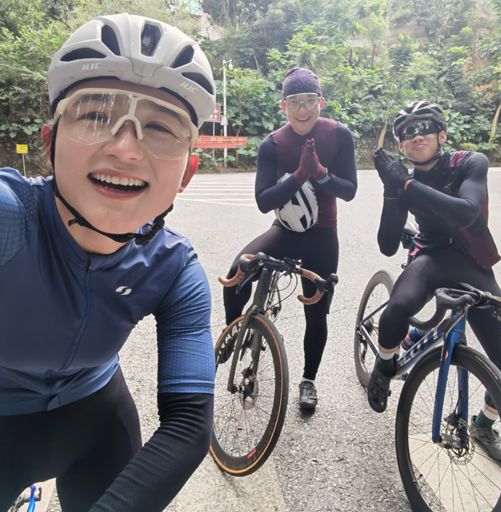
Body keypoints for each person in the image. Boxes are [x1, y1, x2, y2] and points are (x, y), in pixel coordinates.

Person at [0, 13, 216, 511]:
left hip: (97, 425)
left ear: (187, 173)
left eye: (160, 127)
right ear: (50, 143)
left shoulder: (175, 269)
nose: (125, 149)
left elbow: (189, 425)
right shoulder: (11, 218)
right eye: (96, 114)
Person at [368, 100, 501, 463]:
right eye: (406, 133)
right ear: (401, 144)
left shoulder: (470, 163)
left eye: (424, 129)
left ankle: (483, 423)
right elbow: (387, 244)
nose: (415, 137)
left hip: (471, 261)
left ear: (442, 135)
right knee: (397, 309)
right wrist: (391, 190)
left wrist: (404, 183)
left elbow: (466, 212)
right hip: (429, 257)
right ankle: (383, 367)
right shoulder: (404, 179)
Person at [222, 67, 357, 411]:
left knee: (317, 311)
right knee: (237, 272)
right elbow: (263, 200)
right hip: (285, 231)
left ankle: (308, 380)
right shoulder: (273, 144)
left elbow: (350, 191)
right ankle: (234, 331)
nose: (302, 109)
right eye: (294, 102)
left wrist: (321, 173)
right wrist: (299, 175)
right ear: (283, 106)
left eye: (309, 101)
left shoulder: (339, 135)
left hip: (323, 235)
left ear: (321, 102)